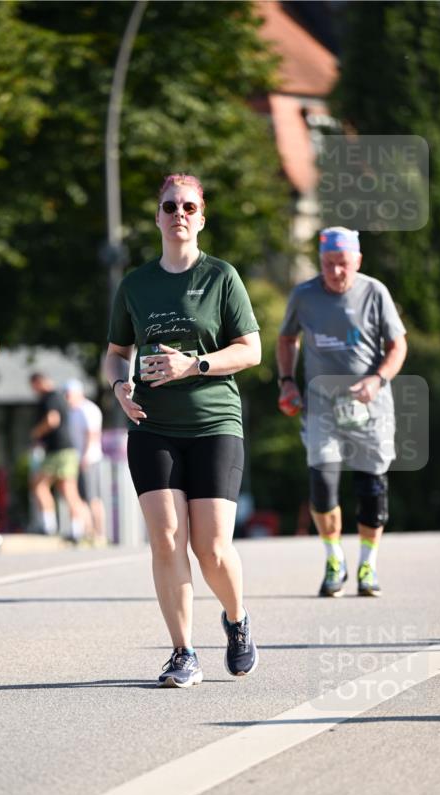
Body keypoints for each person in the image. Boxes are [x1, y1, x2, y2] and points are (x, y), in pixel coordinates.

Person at [104, 172, 261, 689]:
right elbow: (116, 354)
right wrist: (120, 388)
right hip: (153, 426)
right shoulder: (136, 284)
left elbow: (250, 351)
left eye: (189, 207)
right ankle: (183, 652)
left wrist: (192, 365)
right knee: (167, 539)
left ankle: (236, 622)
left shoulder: (221, 277)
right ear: (157, 217)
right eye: (170, 207)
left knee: (212, 548)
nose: (179, 216)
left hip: (215, 422)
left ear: (202, 216)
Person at [276, 226, 408, 597]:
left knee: (371, 488)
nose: (335, 272)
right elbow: (287, 338)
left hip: (370, 406)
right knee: (323, 486)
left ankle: (368, 565)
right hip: (322, 408)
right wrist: (286, 380)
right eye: (328, 264)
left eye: (343, 264)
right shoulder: (304, 295)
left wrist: (377, 379)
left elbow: (398, 345)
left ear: (358, 261)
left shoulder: (374, 291)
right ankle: (334, 559)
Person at [28, 373, 91, 541]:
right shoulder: (60, 397)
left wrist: (36, 433)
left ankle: (49, 525)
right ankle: (75, 530)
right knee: (67, 490)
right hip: (66, 450)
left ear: (38, 382)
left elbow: (52, 420)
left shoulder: (49, 397)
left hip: (58, 450)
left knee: (40, 486)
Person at [64, 378, 107, 546]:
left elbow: (92, 434)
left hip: (90, 459)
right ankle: (88, 532)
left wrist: (86, 456)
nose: (67, 398)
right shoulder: (72, 411)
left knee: (93, 497)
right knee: (81, 498)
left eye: (69, 395)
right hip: (76, 459)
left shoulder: (88, 409)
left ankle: (99, 534)